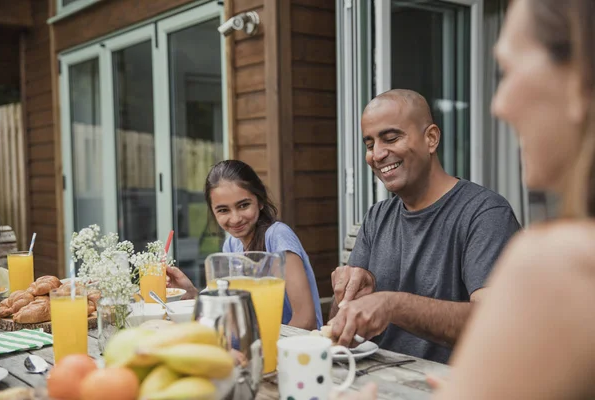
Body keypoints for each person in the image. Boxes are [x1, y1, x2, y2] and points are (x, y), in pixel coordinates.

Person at [432, 0, 595, 398]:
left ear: (577, 79)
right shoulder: (379, 215)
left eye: (507, 71)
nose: (498, 106)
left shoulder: (559, 263)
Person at [328, 89, 521, 364]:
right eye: (369, 144)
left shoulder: (485, 213)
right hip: (375, 382)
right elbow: (337, 327)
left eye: (391, 138)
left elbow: (493, 322)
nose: (377, 154)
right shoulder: (376, 217)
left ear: (431, 138)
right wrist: (345, 295)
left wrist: (391, 304)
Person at [167, 160, 323, 330]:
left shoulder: (278, 237)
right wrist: (191, 293)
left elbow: (306, 320)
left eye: (243, 205)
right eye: (223, 210)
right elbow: (228, 311)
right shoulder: (231, 245)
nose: (235, 218)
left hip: (293, 348)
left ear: (260, 201)